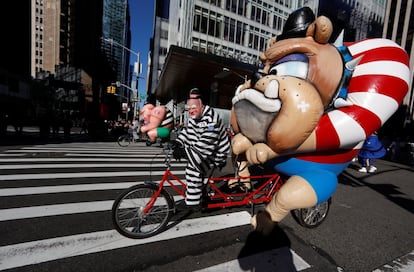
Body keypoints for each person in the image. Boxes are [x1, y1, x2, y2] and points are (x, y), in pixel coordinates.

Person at [172, 88, 231, 210]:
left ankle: (193, 202)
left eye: (194, 108)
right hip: (204, 150)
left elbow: (206, 143)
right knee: (195, 165)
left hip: (216, 153)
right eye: (189, 108)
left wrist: (185, 152)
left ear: (202, 106)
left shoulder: (211, 120)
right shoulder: (194, 118)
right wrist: (178, 142)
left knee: (193, 169)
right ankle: (201, 193)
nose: (191, 111)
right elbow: (187, 132)